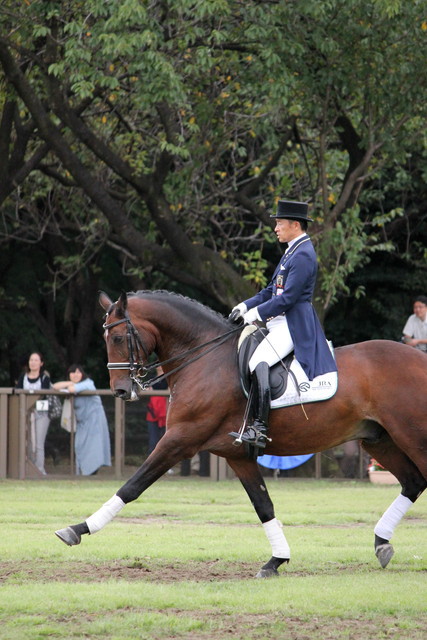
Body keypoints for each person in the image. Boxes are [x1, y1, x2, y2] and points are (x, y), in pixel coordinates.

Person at [229, 199, 337, 456]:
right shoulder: (291, 250)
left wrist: (256, 314)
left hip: (293, 323)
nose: (275, 228)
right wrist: (244, 306)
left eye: (279, 223)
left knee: (259, 361)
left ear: (295, 224)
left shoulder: (303, 254)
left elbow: (287, 299)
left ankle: (260, 428)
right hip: (280, 320)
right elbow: (270, 290)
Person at [53, 364, 111, 475]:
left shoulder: (88, 383)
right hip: (82, 423)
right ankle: (82, 474)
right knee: (79, 447)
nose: (75, 375)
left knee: (94, 448)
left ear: (83, 374)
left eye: (78, 372)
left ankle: (91, 474)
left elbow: (71, 389)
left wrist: (71, 384)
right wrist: (70, 382)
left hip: (95, 421)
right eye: (73, 372)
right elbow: (55, 386)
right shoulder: (74, 383)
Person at [15, 351, 52, 475]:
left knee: (39, 443)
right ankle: (29, 469)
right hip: (25, 414)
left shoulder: (44, 378)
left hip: (41, 414)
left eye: (36, 360)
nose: (33, 362)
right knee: (28, 442)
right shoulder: (23, 377)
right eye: (31, 360)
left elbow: (45, 395)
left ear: (41, 363)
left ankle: (39, 470)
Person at [145, 367, 168, 455]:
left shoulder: (168, 378)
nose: (159, 367)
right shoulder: (152, 378)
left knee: (166, 441)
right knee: (153, 441)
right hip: (153, 412)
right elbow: (145, 389)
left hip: (165, 412)